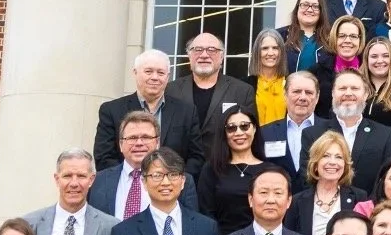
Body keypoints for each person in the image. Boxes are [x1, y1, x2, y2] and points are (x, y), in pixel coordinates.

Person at [165, 30, 257, 177]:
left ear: (221, 57)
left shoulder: (242, 91)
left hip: (225, 172)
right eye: (198, 50)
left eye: (212, 50)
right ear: (189, 55)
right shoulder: (170, 90)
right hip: (178, 173)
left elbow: (249, 135)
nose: (204, 55)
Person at [94, 49, 199, 169]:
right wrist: (134, 178)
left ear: (168, 77)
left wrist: (174, 179)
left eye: (161, 73)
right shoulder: (111, 110)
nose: (155, 77)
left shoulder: (186, 112)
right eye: (148, 71)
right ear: (135, 72)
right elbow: (103, 157)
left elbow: (196, 157)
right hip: (127, 185)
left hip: (171, 185)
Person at [90, 112, 204, 219]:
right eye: (132, 138)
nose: (139, 143)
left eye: (146, 137)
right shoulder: (98, 181)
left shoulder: (180, 181)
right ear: (121, 144)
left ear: (157, 143)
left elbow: (191, 226)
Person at [285, 132, 365, 235]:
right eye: (326, 156)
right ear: (315, 164)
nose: (332, 162)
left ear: (345, 165)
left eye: (339, 157)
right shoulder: (297, 201)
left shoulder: (359, 198)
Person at [199, 106, 269, 235]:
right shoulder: (211, 169)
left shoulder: (270, 170)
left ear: (254, 129)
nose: (238, 132)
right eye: (231, 128)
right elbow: (206, 214)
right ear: (224, 133)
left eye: (244, 126)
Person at [324, 73, 391, 195]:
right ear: (332, 93)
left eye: (355, 88)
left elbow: (389, 178)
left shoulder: (385, 135)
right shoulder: (313, 133)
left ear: (365, 95)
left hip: (369, 210)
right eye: (342, 88)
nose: (348, 93)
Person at [257, 71, 329, 193]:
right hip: (278, 203)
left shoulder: (330, 131)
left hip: (318, 202)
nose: (302, 97)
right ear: (285, 95)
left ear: (317, 98)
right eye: (296, 92)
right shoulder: (265, 133)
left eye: (309, 93)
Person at [314, 13, 370, 108]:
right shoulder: (317, 72)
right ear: (334, 38)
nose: (347, 40)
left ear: (360, 40)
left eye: (353, 36)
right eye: (342, 36)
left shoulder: (370, 70)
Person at [249, 28, 290, 129]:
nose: (270, 53)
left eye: (275, 48)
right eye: (265, 48)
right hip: (255, 142)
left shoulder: (292, 83)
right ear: (257, 52)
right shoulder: (245, 85)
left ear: (281, 52)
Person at [283, 0, 327, 74]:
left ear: (321, 11)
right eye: (305, 5)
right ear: (297, 8)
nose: (310, 10)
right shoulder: (281, 36)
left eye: (315, 6)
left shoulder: (330, 38)